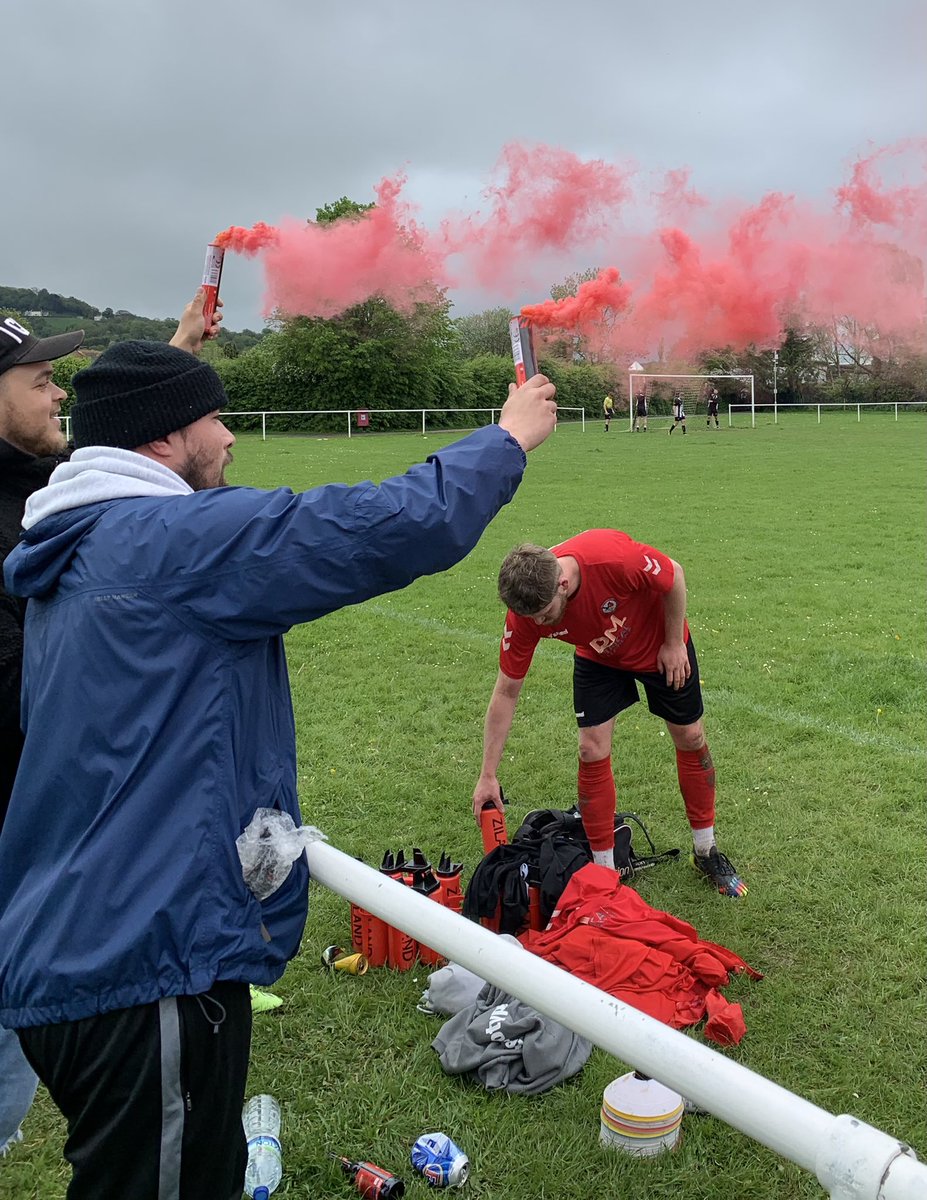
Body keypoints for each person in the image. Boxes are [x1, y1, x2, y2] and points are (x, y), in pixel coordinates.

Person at [0, 339, 556, 1199]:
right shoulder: (170, 540)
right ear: (162, 438)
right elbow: (382, 525)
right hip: (145, 966)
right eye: (214, 418)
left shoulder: (74, 550)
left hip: (74, 948)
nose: (229, 437)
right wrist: (506, 440)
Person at [0, 293, 219, 1161]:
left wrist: (167, 362)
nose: (61, 397)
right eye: (45, 380)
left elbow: (93, 445)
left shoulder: (34, 478)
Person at [472, 530, 746, 901]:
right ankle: (604, 875)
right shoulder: (527, 611)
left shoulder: (612, 558)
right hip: (598, 657)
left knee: (691, 737)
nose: (540, 626)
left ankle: (706, 851)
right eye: (533, 619)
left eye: (546, 616)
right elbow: (506, 690)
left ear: (563, 584)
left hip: (658, 645)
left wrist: (672, 642)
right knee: (591, 748)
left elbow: (674, 575)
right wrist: (488, 774)